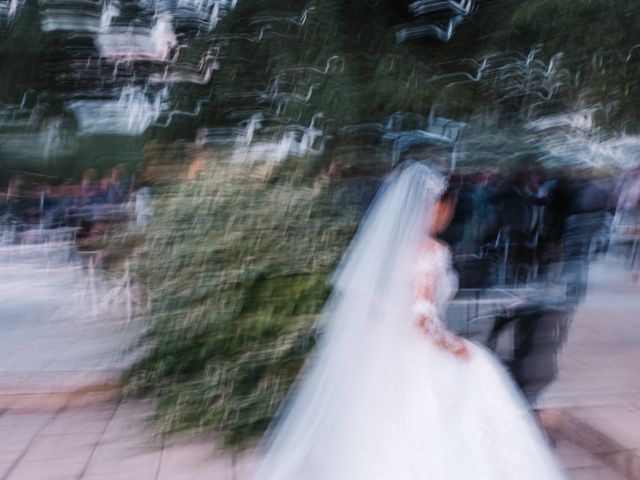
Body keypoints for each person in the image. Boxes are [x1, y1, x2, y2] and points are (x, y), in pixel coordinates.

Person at [252, 162, 567, 480]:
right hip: (418, 352)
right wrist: (452, 344)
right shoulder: (431, 250)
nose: (450, 215)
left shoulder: (391, 250)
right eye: (449, 207)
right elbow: (421, 314)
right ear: (436, 206)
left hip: (384, 351)